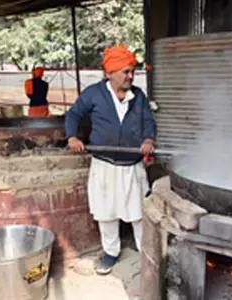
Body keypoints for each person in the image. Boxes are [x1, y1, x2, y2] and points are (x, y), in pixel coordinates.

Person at [64, 44, 157, 275]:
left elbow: (148, 121)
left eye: (132, 71)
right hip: (104, 164)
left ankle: (145, 250)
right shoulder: (94, 93)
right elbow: (74, 114)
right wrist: (72, 136)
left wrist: (148, 139)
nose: (130, 76)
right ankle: (111, 252)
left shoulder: (138, 96)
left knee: (138, 213)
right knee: (106, 212)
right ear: (110, 73)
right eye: (125, 72)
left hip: (132, 164)